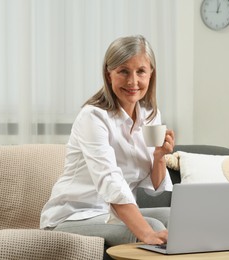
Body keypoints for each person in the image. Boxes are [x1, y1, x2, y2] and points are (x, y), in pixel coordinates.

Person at [40, 35, 175, 247]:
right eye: (123, 71)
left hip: (109, 215)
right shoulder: (93, 117)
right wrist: (147, 234)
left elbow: (154, 187)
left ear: (151, 74)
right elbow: (110, 181)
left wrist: (159, 157)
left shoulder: (150, 115)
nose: (133, 81)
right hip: (73, 216)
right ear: (108, 74)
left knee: (175, 220)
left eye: (140, 71)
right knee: (154, 228)